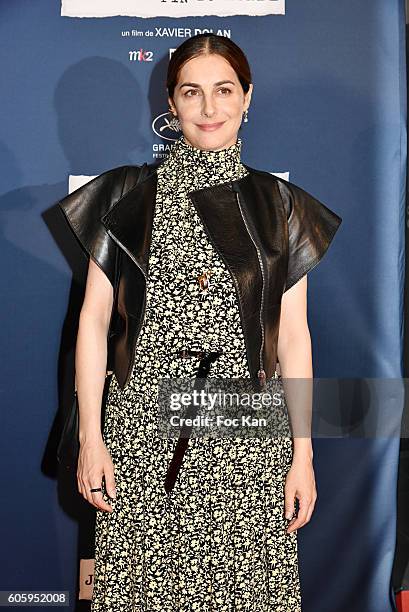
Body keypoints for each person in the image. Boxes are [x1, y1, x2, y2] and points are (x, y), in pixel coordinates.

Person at [59, 33, 342, 611]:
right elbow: (91, 323)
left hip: (247, 443)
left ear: (247, 97)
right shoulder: (124, 195)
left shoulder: (283, 205)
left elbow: (294, 338)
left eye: (224, 90)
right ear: (171, 103)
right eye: (192, 93)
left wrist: (303, 454)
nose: (210, 109)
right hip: (143, 438)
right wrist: (92, 438)